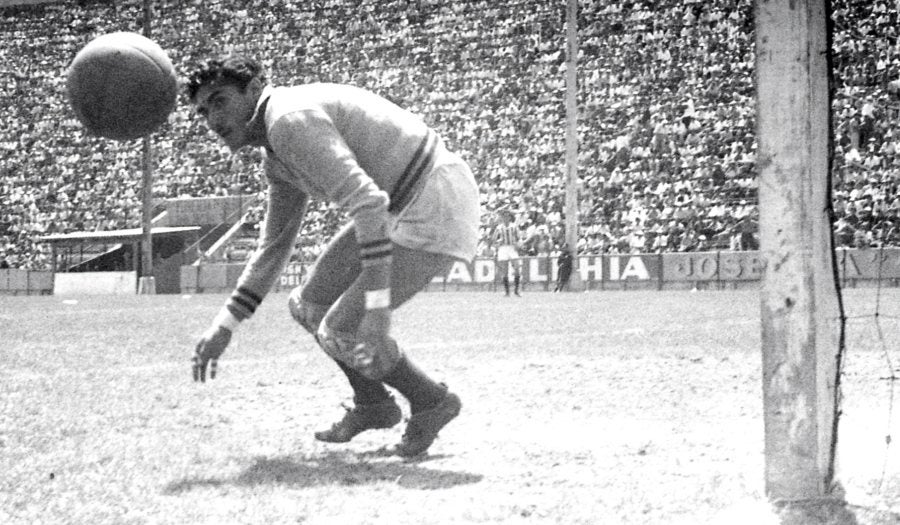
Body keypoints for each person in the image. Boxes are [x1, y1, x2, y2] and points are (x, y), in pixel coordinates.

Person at [186, 55, 480, 457]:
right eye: (203, 111)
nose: (212, 120)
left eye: (219, 101)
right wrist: (225, 325)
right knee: (308, 305)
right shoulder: (276, 153)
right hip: (402, 201)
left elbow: (368, 203)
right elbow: (273, 249)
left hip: (434, 199)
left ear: (254, 89)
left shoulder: (288, 121)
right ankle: (373, 404)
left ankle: (431, 401)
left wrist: (377, 307)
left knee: (343, 330)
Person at [492, 210, 522, 296]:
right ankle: (507, 292)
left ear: (509, 217)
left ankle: (516, 290)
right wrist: (498, 243)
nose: (506, 218)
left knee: (517, 268)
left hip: (512, 248)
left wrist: (518, 244)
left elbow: (519, 238)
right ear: (502, 218)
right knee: (505, 271)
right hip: (503, 248)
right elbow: (494, 240)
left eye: (507, 216)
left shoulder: (514, 226)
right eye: (504, 217)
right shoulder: (499, 228)